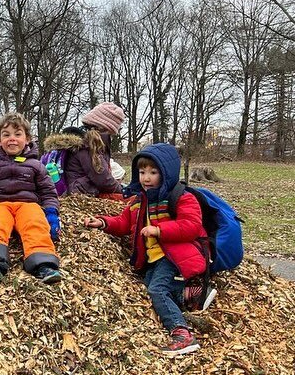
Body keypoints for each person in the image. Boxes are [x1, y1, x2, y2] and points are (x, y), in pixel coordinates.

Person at [83, 143, 207, 357]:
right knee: (149, 287)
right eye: (142, 172)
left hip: (174, 258)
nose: (146, 178)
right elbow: (123, 223)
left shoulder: (182, 198)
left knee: (156, 290)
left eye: (153, 172)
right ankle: (189, 295)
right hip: (155, 259)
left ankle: (182, 333)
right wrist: (102, 223)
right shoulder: (139, 201)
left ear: (166, 173)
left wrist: (159, 230)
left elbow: (191, 226)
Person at [0, 112, 62, 287]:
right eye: (6, 135)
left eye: (17, 134)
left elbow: (49, 192)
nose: (12, 139)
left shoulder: (36, 166)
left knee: (35, 223)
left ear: (27, 139)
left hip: (28, 204)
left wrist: (51, 213)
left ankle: (43, 263)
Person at [42, 103, 125, 199]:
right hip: (79, 194)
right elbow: (103, 179)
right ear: (106, 127)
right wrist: (123, 191)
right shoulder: (88, 145)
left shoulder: (83, 140)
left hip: (78, 191)